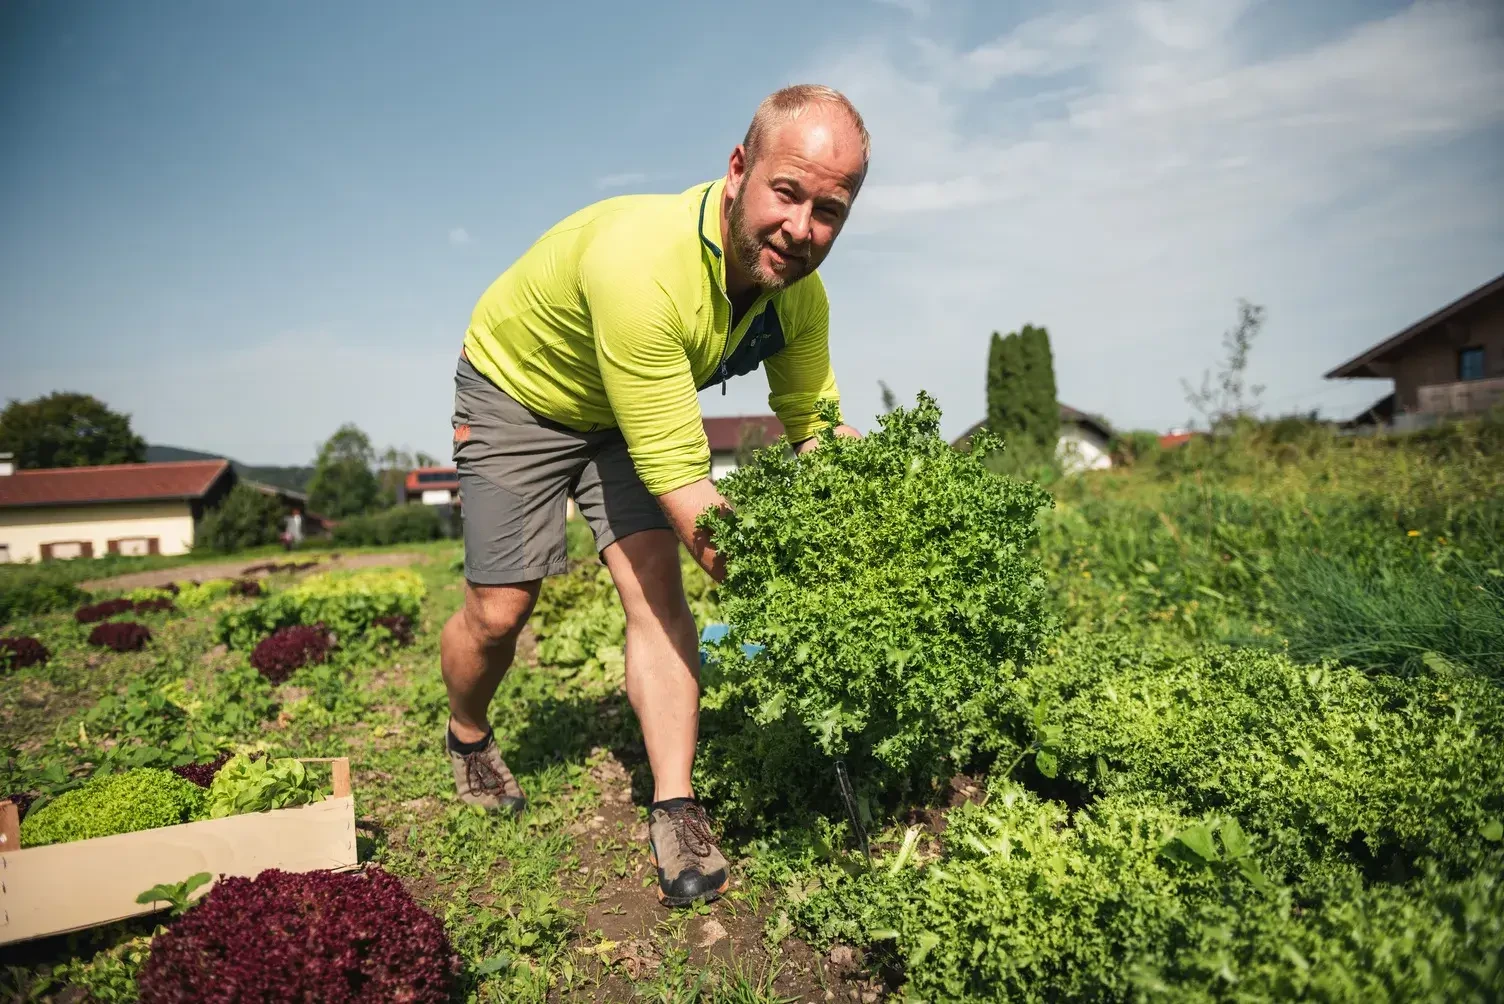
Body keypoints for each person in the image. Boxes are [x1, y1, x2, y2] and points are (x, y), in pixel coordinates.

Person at [441, 84, 868, 908]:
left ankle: (676, 806)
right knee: (501, 609)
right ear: (740, 169)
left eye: (830, 211)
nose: (802, 229)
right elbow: (691, 495)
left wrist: (877, 513)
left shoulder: (798, 298)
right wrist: (799, 592)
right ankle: (466, 733)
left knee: (658, 596)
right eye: (787, 193)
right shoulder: (646, 267)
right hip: (519, 389)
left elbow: (815, 425)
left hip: (627, 412)